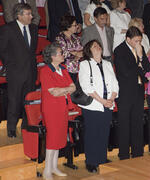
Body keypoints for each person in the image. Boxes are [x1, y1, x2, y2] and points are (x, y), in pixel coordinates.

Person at [78, 40, 119, 173]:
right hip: (93, 105)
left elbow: (115, 83)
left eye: (99, 45)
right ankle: (91, 161)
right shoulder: (85, 64)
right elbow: (86, 86)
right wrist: (102, 101)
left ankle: (102, 158)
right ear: (89, 51)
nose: (98, 47)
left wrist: (111, 98)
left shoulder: (107, 64)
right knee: (92, 133)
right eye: (94, 46)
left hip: (108, 104)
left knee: (104, 132)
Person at [0, 3, 38, 138]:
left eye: (31, 13)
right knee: (14, 100)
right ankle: (11, 128)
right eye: (28, 14)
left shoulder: (33, 28)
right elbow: (2, 50)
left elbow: (32, 51)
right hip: (15, 72)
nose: (31, 16)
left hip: (31, 71)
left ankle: (26, 126)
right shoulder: (8, 29)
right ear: (19, 15)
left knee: (28, 100)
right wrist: (10, 65)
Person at [114, 26, 150, 160]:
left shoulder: (139, 49)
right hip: (125, 92)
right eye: (136, 41)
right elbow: (126, 72)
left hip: (138, 91)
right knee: (124, 124)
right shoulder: (119, 50)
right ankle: (123, 154)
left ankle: (137, 152)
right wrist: (140, 66)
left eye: (140, 40)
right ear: (128, 39)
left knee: (137, 122)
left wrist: (141, 56)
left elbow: (148, 68)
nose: (138, 43)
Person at [41, 43, 76, 179]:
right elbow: (53, 92)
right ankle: (47, 170)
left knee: (60, 137)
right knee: (52, 138)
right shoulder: (45, 71)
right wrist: (65, 89)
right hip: (51, 109)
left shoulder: (63, 68)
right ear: (53, 56)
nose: (63, 55)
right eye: (61, 53)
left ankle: (54, 167)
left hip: (63, 107)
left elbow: (73, 87)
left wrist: (63, 90)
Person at [55, 15, 83, 83]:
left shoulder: (75, 37)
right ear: (68, 26)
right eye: (75, 25)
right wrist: (76, 54)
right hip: (66, 69)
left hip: (77, 68)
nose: (77, 27)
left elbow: (81, 51)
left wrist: (73, 52)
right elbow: (64, 54)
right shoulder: (60, 38)